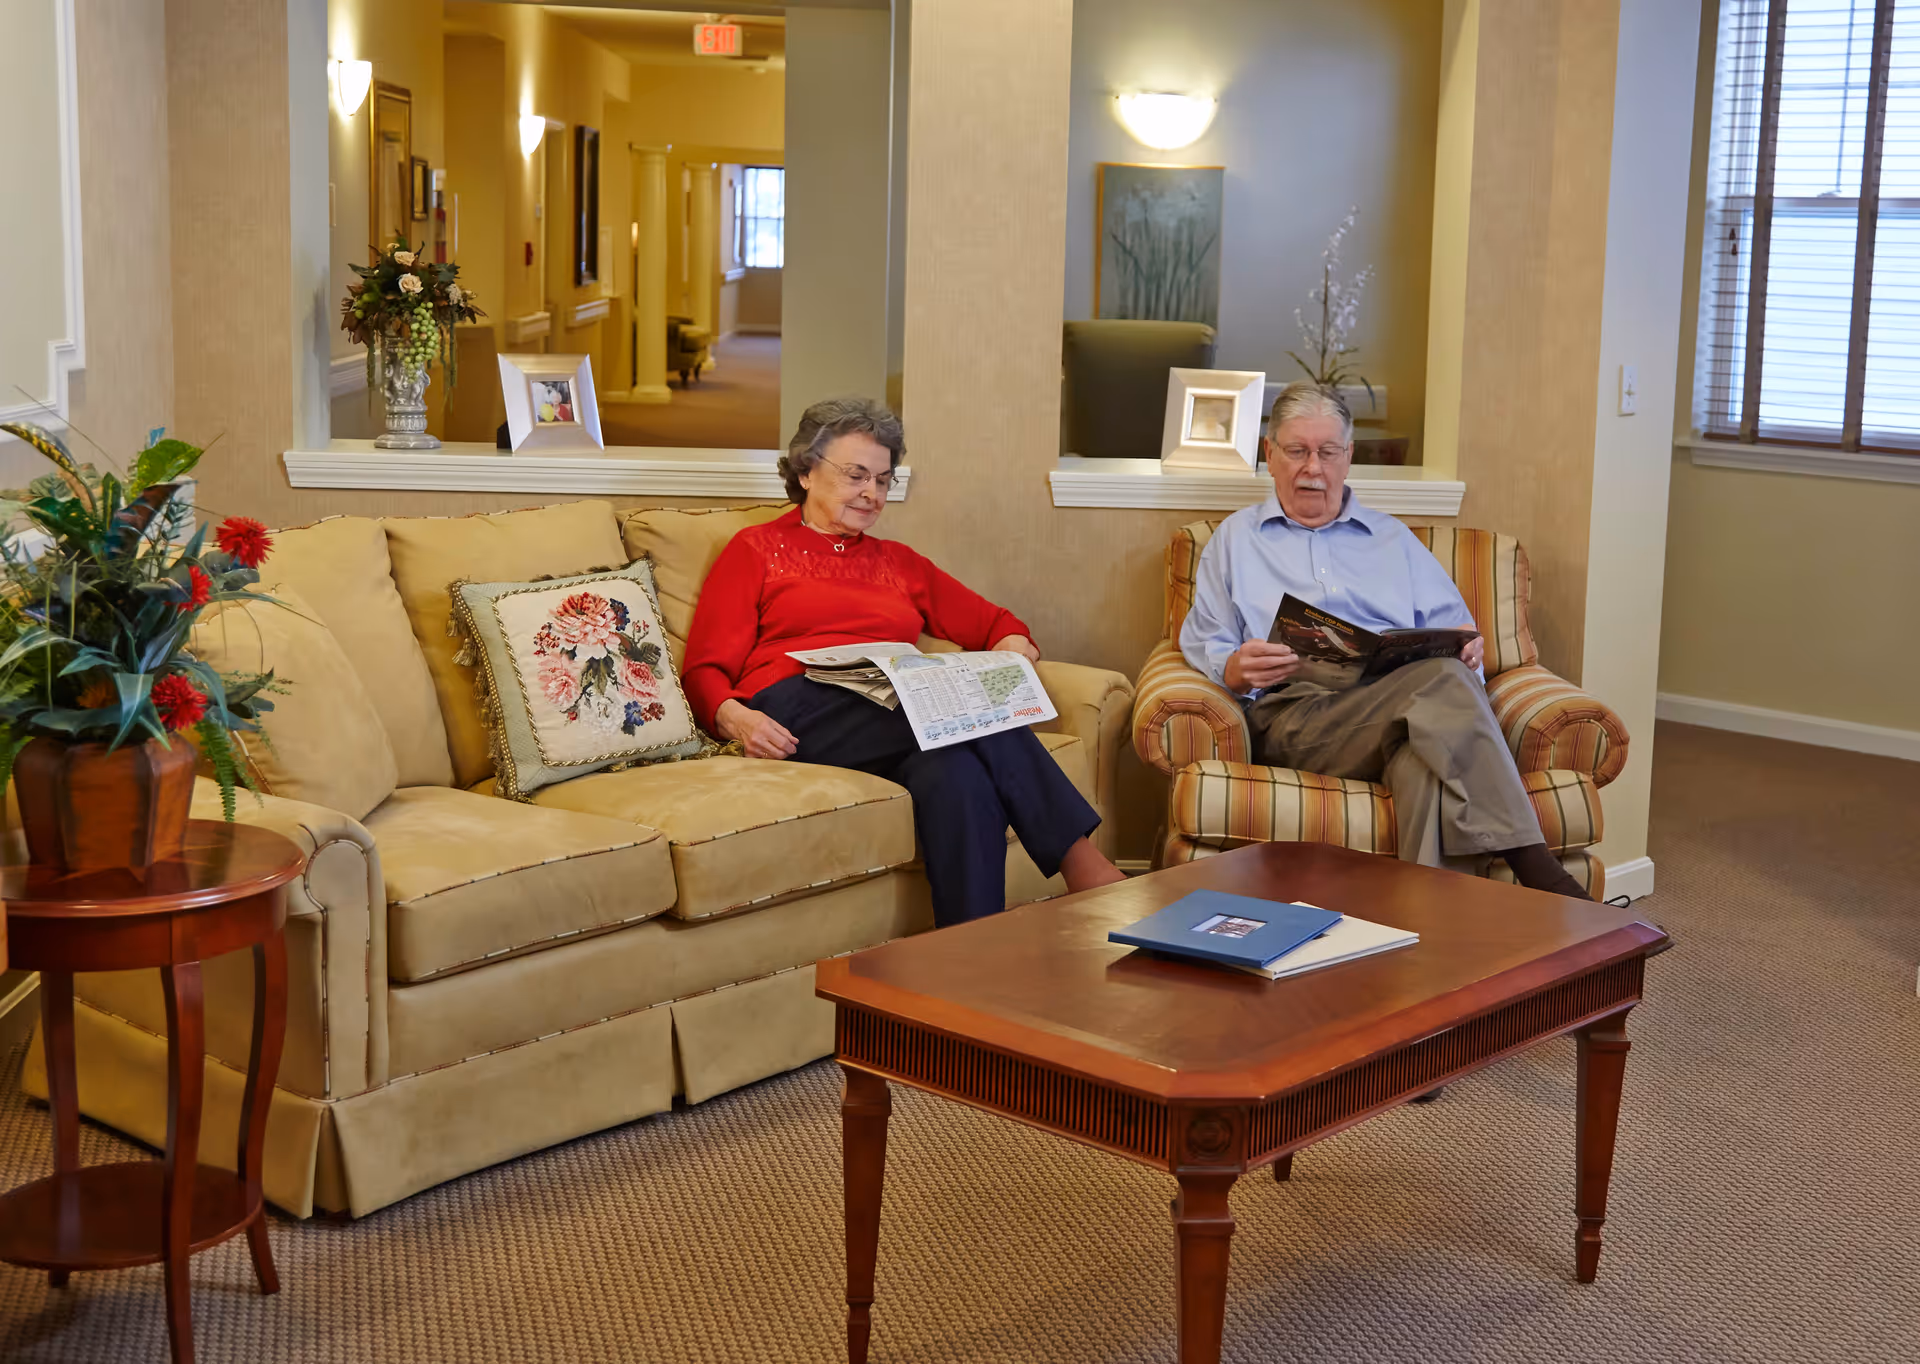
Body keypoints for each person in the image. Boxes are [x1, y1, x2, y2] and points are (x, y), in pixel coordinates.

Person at [683, 396, 1128, 927]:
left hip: (891, 709)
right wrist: (738, 717)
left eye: (882, 480)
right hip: (796, 706)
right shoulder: (756, 549)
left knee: (956, 773)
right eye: (855, 476)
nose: (870, 493)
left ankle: (968, 956)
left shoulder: (898, 563)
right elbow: (703, 670)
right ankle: (1083, 863)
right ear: (806, 471)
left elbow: (999, 624)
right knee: (954, 709)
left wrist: (1010, 653)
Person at [1178, 380, 1590, 900]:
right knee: (1438, 685)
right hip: (1300, 720)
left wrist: (1469, 650)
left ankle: (1431, 941)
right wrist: (1233, 668)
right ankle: (1544, 877)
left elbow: (1461, 638)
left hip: (1405, 713)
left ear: (1348, 457)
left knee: (1423, 763)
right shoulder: (1234, 540)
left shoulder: (1394, 540)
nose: (1313, 468)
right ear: (1270, 454)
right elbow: (1203, 641)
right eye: (1297, 451)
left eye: (1328, 452)